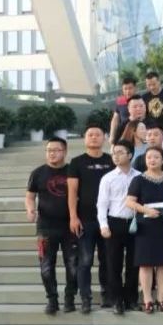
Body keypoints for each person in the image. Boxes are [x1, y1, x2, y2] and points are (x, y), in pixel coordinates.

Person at [66, 125, 115, 313]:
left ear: (104, 138)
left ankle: (107, 295)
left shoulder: (111, 161)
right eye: (90, 135)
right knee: (85, 261)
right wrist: (73, 216)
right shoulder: (77, 162)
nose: (94, 137)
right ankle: (85, 298)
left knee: (107, 260)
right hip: (85, 220)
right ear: (85, 138)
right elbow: (72, 192)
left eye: (98, 135)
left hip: (108, 220)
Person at [26, 137, 78, 315]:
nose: (52, 153)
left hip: (71, 226)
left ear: (65, 151)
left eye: (56, 150)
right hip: (46, 227)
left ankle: (70, 299)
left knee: (73, 265)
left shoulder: (72, 171)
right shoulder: (38, 173)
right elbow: (30, 196)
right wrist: (30, 209)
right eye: (49, 150)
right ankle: (52, 300)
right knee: (46, 267)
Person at [125, 147, 163, 313]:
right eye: (149, 157)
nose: (152, 160)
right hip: (145, 226)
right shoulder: (138, 180)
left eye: (156, 157)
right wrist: (145, 210)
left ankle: (162, 299)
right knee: (145, 264)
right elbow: (129, 202)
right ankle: (147, 299)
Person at [96, 140, 141, 315]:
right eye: (114, 153)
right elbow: (102, 204)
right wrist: (103, 225)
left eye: (120, 152)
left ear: (130, 155)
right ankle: (116, 300)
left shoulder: (139, 176)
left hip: (134, 223)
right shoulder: (108, 178)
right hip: (114, 223)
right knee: (113, 263)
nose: (116, 156)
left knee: (133, 263)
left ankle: (131, 299)